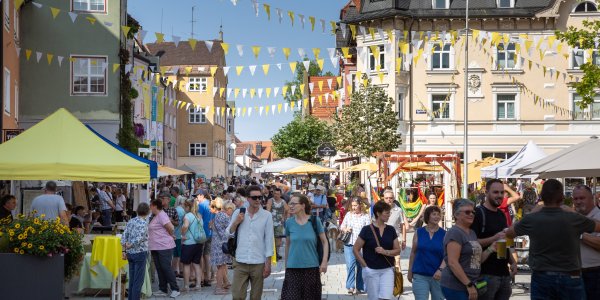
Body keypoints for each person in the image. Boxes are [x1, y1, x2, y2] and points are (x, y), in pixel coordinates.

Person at [506, 179, 600, 300]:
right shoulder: (573, 218)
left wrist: (532, 213)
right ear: (562, 197)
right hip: (571, 275)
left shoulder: (532, 219)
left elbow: (509, 233)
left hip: (542, 275)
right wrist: (577, 218)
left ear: (542, 197)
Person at [470, 179, 516, 300]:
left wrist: (512, 261)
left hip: (504, 274)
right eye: (495, 192)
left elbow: (505, 241)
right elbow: (472, 242)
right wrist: (493, 239)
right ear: (486, 192)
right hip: (486, 274)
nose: (499, 195)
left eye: (502, 192)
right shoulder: (478, 213)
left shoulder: (501, 214)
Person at [226, 185, 274, 300]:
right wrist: (236, 222)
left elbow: (268, 240)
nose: (258, 200)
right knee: (237, 296)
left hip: (258, 262)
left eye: (260, 197)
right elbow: (228, 233)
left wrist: (268, 263)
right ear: (248, 198)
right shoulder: (239, 212)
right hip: (240, 261)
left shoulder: (266, 216)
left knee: (256, 297)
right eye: (254, 197)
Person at [441, 199, 492, 300]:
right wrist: (468, 285)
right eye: (467, 212)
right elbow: (452, 262)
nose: (471, 214)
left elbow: (476, 260)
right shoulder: (455, 233)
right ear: (456, 215)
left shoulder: (471, 232)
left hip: (470, 283)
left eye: (473, 212)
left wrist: (491, 249)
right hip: (456, 285)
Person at [281, 193, 328, 299]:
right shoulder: (289, 223)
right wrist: (286, 266)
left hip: (311, 267)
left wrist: (324, 262)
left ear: (303, 206)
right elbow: (288, 245)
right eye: (290, 204)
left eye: (294, 203)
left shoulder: (315, 221)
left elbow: (325, 242)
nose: (291, 206)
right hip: (293, 268)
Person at [353, 201, 401, 300]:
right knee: (374, 298)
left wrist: (386, 252)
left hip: (387, 269)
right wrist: (365, 266)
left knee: (387, 297)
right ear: (378, 213)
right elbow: (355, 249)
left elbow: (397, 250)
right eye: (387, 213)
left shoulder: (391, 230)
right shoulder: (366, 230)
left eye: (389, 212)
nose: (389, 215)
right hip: (371, 270)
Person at [408, 206, 446, 300]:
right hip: (420, 274)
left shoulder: (444, 234)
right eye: (434, 214)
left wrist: (440, 270)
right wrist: (410, 270)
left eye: (438, 214)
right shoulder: (419, 232)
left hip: (438, 276)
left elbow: (448, 255)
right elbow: (413, 252)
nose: (437, 216)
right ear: (427, 216)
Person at [148, 198, 180, 298]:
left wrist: (171, 235)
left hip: (164, 246)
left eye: (151, 205)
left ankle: (175, 288)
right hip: (156, 246)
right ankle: (163, 289)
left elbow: (171, 227)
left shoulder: (162, 215)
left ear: (154, 206)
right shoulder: (156, 215)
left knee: (166, 267)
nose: (150, 207)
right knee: (160, 268)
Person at [572, 185, 600, 300]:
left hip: (596, 273)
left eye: (582, 198)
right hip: (574, 274)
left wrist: (579, 234)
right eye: (575, 198)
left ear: (592, 198)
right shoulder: (572, 218)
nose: (578, 201)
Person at [340, 197, 371, 294]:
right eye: (352, 206)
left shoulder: (365, 216)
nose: (353, 207)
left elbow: (369, 231)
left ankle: (360, 287)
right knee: (350, 265)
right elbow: (342, 227)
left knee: (361, 266)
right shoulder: (349, 215)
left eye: (355, 205)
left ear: (360, 205)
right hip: (349, 244)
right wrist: (346, 229)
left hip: (361, 246)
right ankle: (350, 287)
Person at [121, 203, 150, 300]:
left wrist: (124, 249)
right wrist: (131, 244)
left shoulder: (131, 221)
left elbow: (124, 235)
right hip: (140, 253)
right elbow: (140, 237)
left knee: (132, 280)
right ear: (147, 212)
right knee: (138, 281)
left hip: (130, 253)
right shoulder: (144, 223)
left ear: (137, 211)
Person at [210, 198, 233, 295]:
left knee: (222, 265)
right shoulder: (225, 216)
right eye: (232, 210)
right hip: (221, 245)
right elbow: (228, 232)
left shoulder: (218, 215)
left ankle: (226, 282)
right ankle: (218, 288)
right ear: (228, 209)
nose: (232, 212)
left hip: (216, 243)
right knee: (220, 267)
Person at [180, 199, 203, 292]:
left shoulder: (187, 216)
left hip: (189, 243)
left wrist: (182, 234)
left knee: (186, 265)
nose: (184, 208)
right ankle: (198, 285)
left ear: (188, 207)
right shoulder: (199, 215)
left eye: (185, 206)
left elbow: (185, 226)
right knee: (196, 264)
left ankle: (186, 286)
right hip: (198, 242)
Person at [382, 190, 407, 272]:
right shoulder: (379, 209)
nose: (389, 199)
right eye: (387, 198)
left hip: (395, 239)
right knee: (384, 262)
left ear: (393, 199)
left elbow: (402, 225)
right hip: (382, 239)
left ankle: (398, 283)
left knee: (397, 261)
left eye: (391, 198)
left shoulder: (398, 210)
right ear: (383, 198)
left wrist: (404, 239)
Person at [194, 189, 214, 287]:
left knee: (201, 256)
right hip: (210, 232)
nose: (196, 198)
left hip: (202, 233)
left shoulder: (201, 205)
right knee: (207, 255)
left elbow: (198, 218)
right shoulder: (211, 203)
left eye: (197, 196)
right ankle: (208, 278)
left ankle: (201, 278)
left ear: (201, 195)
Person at [266, 188, 289, 261]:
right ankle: (272, 253)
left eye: (278, 194)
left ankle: (276, 253)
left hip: (279, 223)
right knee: (270, 238)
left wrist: (284, 218)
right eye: (275, 194)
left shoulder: (283, 202)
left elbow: (287, 210)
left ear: (280, 194)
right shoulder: (270, 200)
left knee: (279, 239)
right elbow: (267, 211)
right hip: (271, 222)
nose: (276, 195)